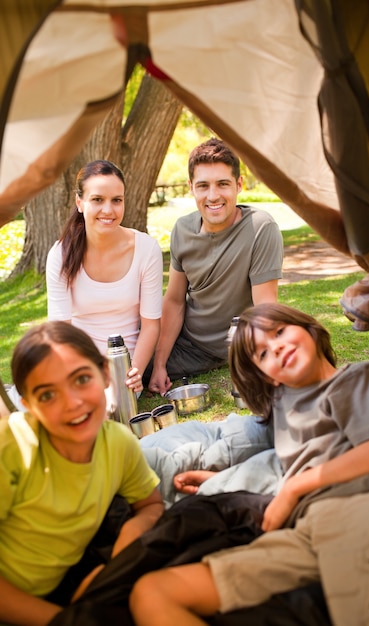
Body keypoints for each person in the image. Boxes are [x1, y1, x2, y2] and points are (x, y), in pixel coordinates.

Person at [129, 303, 369, 626]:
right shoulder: (284, 403)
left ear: (308, 327)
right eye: (263, 354)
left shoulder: (357, 378)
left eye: (280, 331)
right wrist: (222, 479)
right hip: (307, 529)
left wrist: (294, 488)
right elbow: (276, 458)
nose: (277, 346)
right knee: (153, 593)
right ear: (269, 379)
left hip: (367, 509)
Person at [0, 321, 164, 626]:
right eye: (47, 395)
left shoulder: (119, 443)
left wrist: (124, 550)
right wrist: (65, 620)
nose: (72, 403)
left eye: (81, 379)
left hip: (72, 580)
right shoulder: (11, 449)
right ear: (28, 406)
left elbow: (151, 505)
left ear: (105, 372)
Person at [145, 137, 284, 395]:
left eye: (223, 184)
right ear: (191, 188)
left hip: (226, 347)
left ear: (239, 184)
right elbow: (175, 301)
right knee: (129, 361)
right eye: (203, 186)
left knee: (134, 371)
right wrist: (160, 365)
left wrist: (261, 365)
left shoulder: (260, 228)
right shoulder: (182, 229)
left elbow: (266, 307)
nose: (213, 196)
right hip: (184, 339)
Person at [46, 159, 162, 398]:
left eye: (116, 200)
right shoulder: (61, 254)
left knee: (108, 408)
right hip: (78, 366)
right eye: (98, 200)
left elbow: (151, 325)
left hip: (126, 371)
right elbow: (60, 333)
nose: (108, 210)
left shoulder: (147, 249)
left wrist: (135, 372)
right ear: (80, 202)